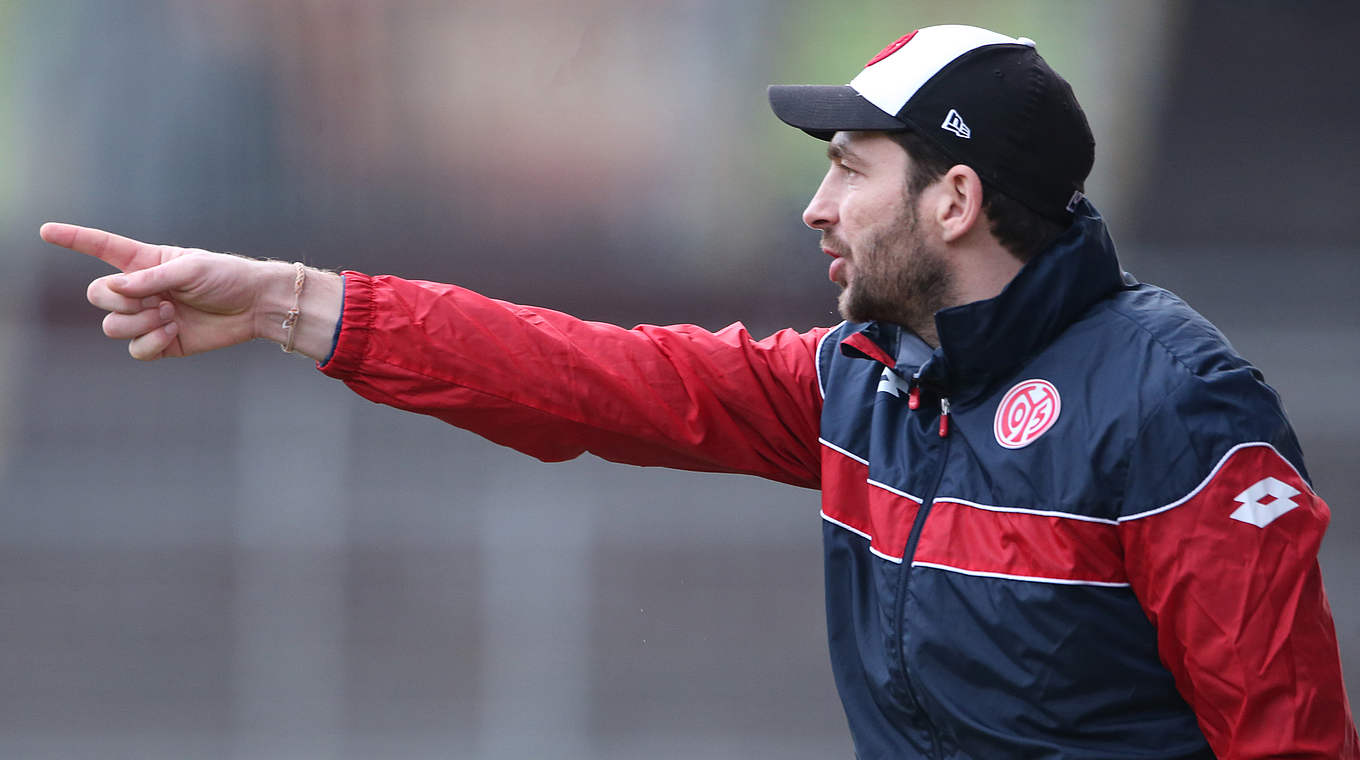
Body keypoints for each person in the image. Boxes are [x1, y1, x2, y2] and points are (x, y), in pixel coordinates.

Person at [42, 23, 1357, 760]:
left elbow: (1287, 739)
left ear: (957, 200)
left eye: (851, 167)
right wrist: (286, 300)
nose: (814, 204)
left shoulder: (1170, 408)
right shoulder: (870, 380)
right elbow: (589, 378)